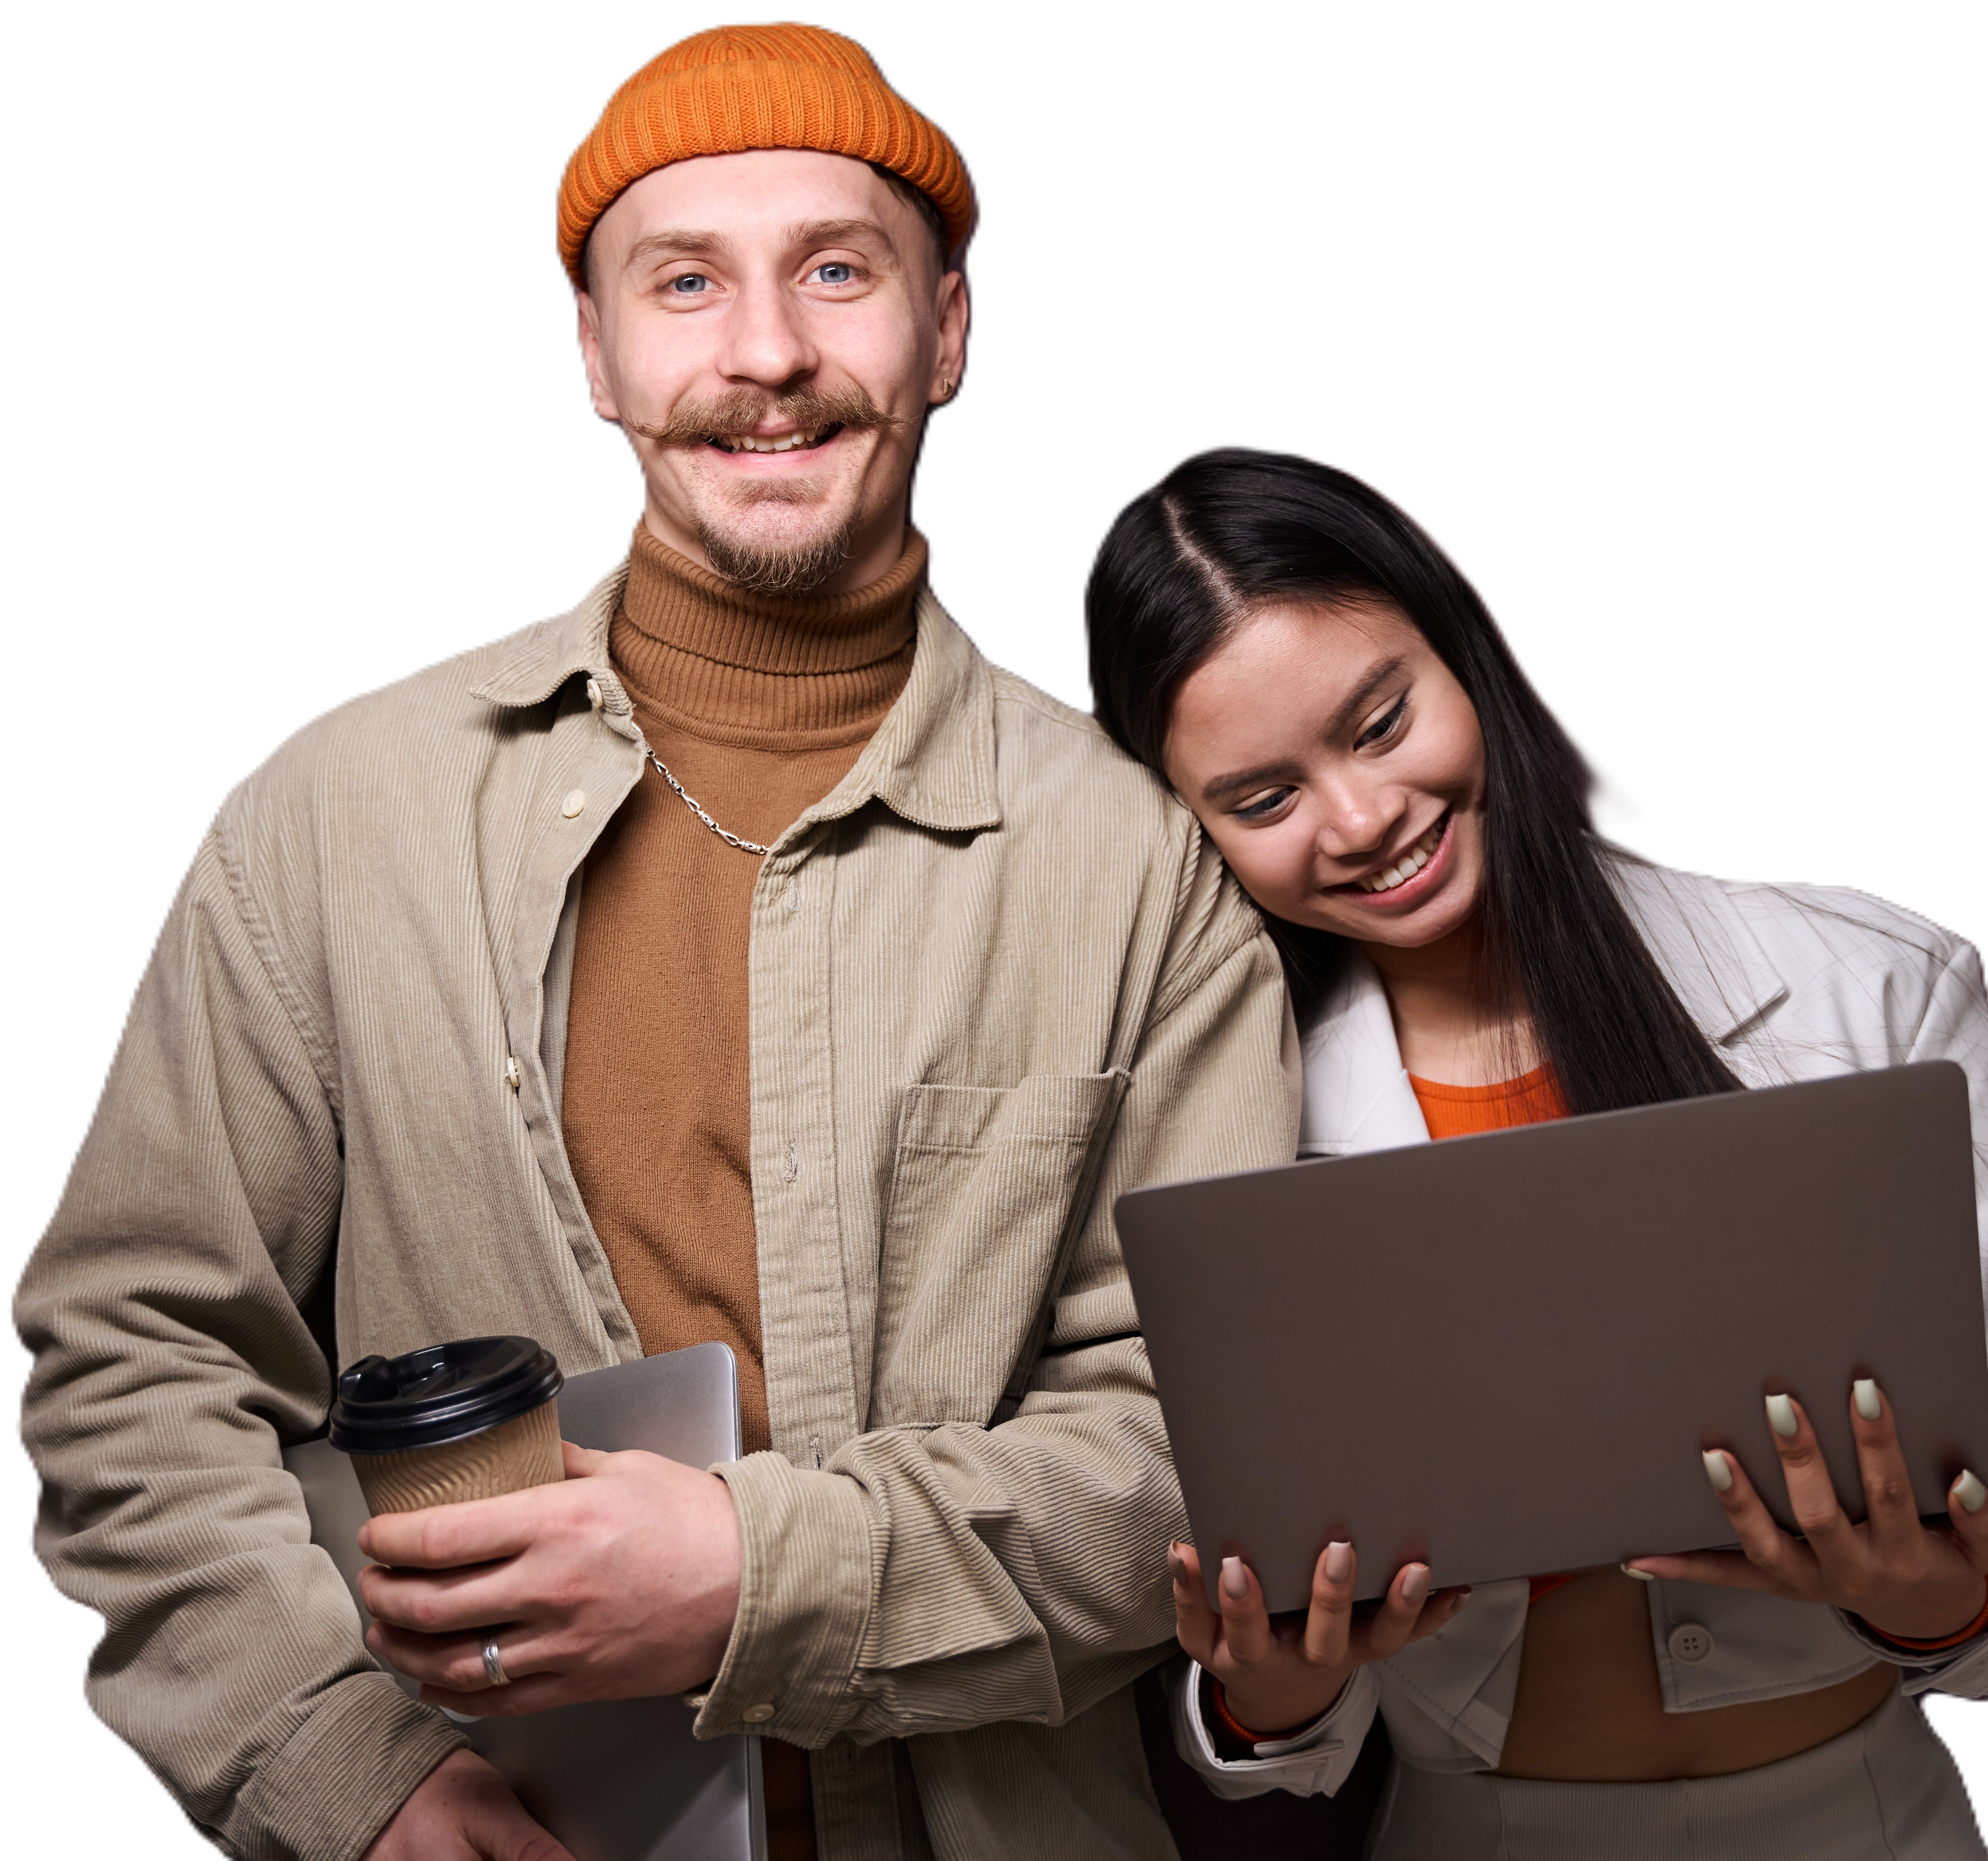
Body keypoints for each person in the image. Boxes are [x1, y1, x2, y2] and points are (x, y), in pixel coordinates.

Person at [11, 27, 1299, 1861]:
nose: (766, 353)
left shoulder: (1130, 861)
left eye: (837, 271)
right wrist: (339, 1770)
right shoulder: (333, 815)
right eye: (684, 283)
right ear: (597, 355)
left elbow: (1206, 1434)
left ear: (945, 334)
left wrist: (755, 1576)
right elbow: (131, 1350)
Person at [1078, 445, 1988, 1858]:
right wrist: (1265, 1698)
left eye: (1382, 721)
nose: (1362, 821)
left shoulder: (1869, 985)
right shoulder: (1218, 1124)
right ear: (1188, 824)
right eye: (1262, 799)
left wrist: (1932, 1593)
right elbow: (1259, 1731)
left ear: (1462, 655)